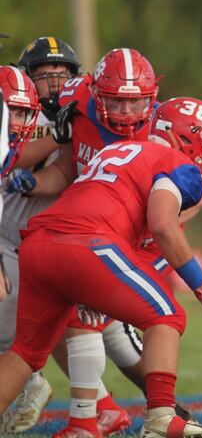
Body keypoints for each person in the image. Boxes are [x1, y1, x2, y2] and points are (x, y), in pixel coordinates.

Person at [0, 96, 202, 438]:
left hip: (38, 242)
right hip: (85, 243)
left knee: (25, 353)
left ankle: (105, 419)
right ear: (185, 137)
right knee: (166, 315)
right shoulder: (175, 163)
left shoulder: (113, 151)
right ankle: (160, 418)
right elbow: (163, 225)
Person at [0, 37, 81, 433]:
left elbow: (62, 174)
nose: (52, 83)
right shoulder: (20, 113)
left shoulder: (83, 116)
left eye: (61, 74)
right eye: (43, 75)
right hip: (8, 235)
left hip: (45, 243)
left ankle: (96, 407)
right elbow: (9, 159)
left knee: (83, 331)